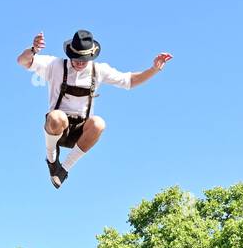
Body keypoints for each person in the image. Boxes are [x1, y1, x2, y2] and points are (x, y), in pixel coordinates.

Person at [18, 29, 171, 189]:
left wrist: (153, 69)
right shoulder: (55, 65)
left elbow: (130, 81)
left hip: (80, 131)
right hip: (57, 127)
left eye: (83, 60)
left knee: (99, 123)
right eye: (76, 59)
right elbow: (22, 61)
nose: (79, 63)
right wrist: (33, 50)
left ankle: (64, 169)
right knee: (57, 117)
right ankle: (52, 161)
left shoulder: (98, 70)